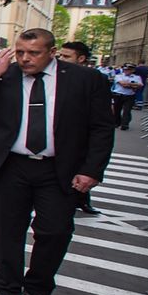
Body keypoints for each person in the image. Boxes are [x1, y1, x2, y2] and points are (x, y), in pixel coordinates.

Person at [0, 28, 114, 295]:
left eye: (33, 53)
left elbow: (101, 128)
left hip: (58, 169)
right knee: (7, 231)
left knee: (56, 231)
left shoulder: (85, 80)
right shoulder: (5, 75)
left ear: (52, 52)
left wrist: (91, 170)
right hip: (10, 166)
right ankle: (6, 290)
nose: (25, 58)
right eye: (20, 52)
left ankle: (39, 289)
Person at [56, 41, 101, 216]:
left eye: (67, 56)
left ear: (81, 58)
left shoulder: (92, 78)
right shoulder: (52, 76)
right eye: (61, 55)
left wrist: (93, 169)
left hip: (79, 140)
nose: (61, 59)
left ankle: (82, 199)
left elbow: (101, 125)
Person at [110, 64, 143, 130]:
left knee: (127, 111)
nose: (126, 71)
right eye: (125, 69)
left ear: (133, 70)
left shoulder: (137, 77)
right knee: (117, 110)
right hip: (118, 95)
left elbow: (140, 85)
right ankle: (117, 122)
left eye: (128, 70)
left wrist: (129, 84)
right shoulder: (119, 76)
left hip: (129, 96)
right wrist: (133, 86)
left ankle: (125, 124)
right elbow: (123, 84)